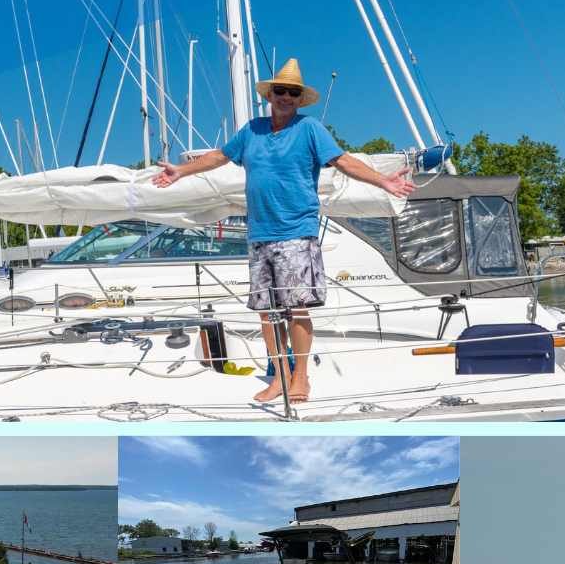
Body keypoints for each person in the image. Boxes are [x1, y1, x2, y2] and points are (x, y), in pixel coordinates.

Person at [152, 58, 415, 405]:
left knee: (297, 307)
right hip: (259, 235)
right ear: (270, 94)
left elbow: (343, 161)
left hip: (296, 231)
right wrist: (180, 172)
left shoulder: (310, 129)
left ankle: (301, 377)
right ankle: (279, 377)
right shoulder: (252, 130)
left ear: (299, 98)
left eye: (293, 92)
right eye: (281, 90)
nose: (286, 96)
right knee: (267, 311)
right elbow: (219, 156)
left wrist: (383, 180)